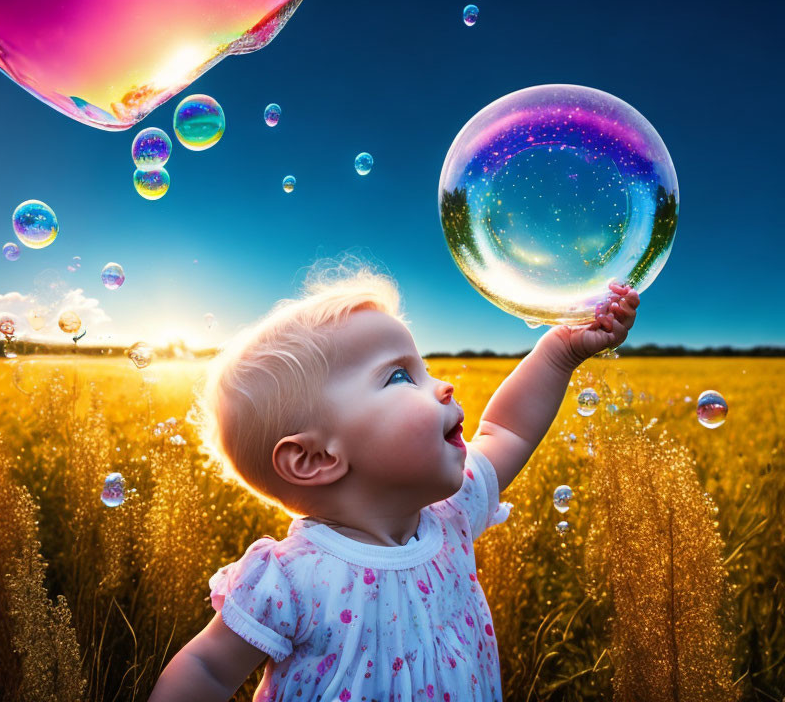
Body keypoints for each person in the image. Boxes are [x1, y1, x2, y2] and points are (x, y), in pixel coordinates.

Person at [149, 265, 639, 702]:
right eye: (400, 377)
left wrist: (560, 351)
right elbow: (208, 669)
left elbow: (504, 431)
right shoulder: (289, 580)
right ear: (316, 458)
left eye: (423, 367)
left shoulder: (450, 517)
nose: (443, 385)